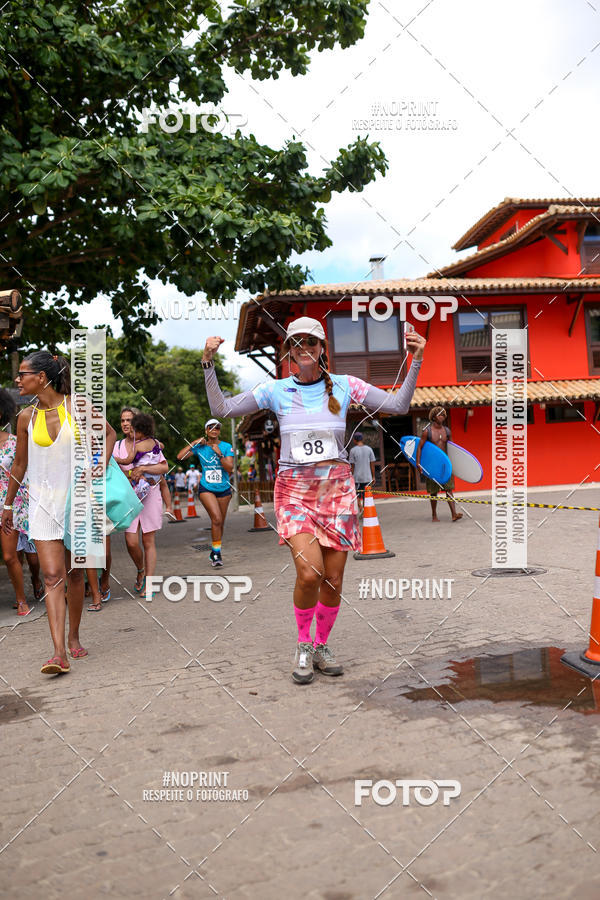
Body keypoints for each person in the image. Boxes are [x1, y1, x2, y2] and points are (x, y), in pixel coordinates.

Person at [202, 316, 426, 684]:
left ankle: (322, 645)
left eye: (312, 341)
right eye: (296, 343)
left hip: (336, 488)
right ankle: (303, 644)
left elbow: (400, 406)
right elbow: (221, 409)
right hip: (294, 489)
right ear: (289, 352)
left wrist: (415, 361)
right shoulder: (274, 390)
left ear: (322, 349)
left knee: (334, 579)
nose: (304, 348)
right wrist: (208, 363)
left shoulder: (344, 386)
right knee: (310, 572)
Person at [2, 351, 116, 674]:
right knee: (52, 575)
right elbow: (20, 465)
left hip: (77, 502)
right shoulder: (26, 417)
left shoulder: (76, 406)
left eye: (22, 374)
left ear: (41, 377)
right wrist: (8, 505)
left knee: (75, 574)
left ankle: (75, 636)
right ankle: (58, 652)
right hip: (41, 506)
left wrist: (98, 468)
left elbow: (108, 434)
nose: (17, 380)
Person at [113, 411, 168, 594]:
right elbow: (113, 472)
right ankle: (140, 570)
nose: (125, 424)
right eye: (122, 421)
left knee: (148, 540)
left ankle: (149, 583)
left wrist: (143, 468)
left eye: (129, 420)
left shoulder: (150, 444)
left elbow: (164, 467)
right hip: (128, 498)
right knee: (131, 542)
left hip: (150, 494)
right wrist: (132, 474)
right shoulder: (116, 446)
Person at [0, 388, 43, 616]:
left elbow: (26, 472)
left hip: (15, 503)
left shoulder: (15, 442)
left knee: (32, 557)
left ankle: (36, 579)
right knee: (9, 556)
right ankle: (20, 598)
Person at [177, 419, 234, 567]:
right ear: (206, 431)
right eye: (211, 428)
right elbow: (180, 456)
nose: (214, 430)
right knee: (216, 518)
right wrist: (195, 442)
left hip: (224, 489)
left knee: (220, 522)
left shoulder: (226, 446)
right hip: (206, 488)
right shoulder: (200, 447)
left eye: (217, 428)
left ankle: (215, 549)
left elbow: (229, 468)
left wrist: (220, 454)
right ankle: (217, 554)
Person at [416, 406, 463, 523]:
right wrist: (418, 463)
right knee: (433, 492)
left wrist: (456, 462)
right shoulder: (427, 431)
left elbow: (452, 448)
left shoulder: (447, 431)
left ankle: (454, 514)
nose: (441, 417)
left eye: (443, 415)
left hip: (445, 464)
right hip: (432, 465)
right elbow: (419, 447)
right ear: (433, 417)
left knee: (449, 489)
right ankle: (434, 515)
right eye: (438, 415)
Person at [348, 432, 376, 515]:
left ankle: (361, 508)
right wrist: (373, 476)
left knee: (356, 495)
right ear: (362, 439)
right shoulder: (369, 449)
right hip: (367, 477)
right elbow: (372, 464)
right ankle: (366, 511)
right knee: (366, 496)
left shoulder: (353, 451)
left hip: (357, 477)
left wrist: (350, 477)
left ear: (354, 440)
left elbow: (352, 466)